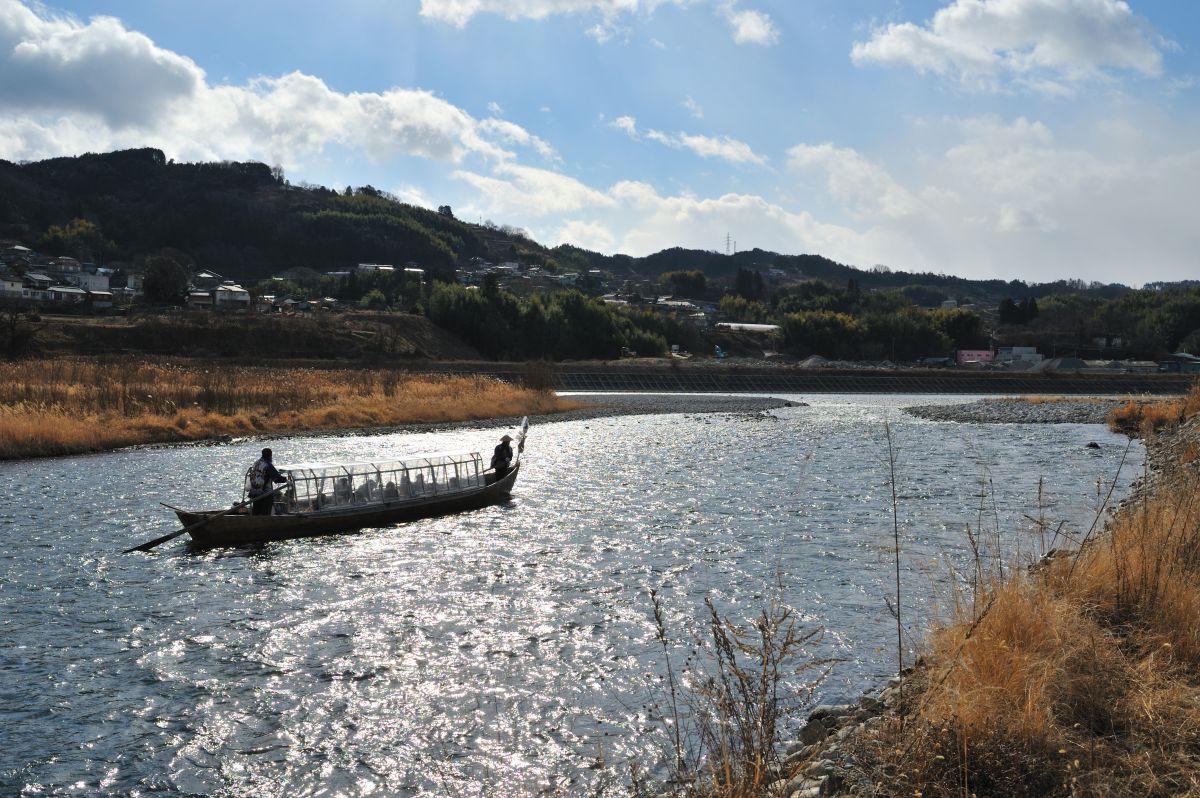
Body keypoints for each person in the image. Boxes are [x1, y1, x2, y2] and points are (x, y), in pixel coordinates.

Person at [249, 448, 288, 516]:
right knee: (265, 513)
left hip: (254, 492)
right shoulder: (267, 464)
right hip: (265, 494)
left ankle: (254, 523)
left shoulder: (256, 463)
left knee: (256, 512)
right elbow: (277, 479)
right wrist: (286, 479)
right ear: (270, 455)